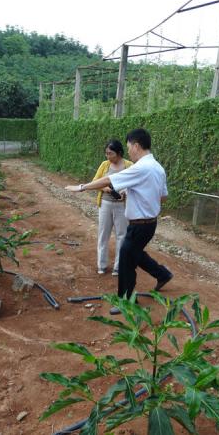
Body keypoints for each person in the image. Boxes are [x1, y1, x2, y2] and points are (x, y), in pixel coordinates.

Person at [65, 128, 173, 315]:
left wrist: (82, 187)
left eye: (130, 146)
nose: (129, 150)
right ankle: (163, 274)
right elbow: (162, 197)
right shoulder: (157, 167)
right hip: (149, 223)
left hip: (139, 225)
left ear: (137, 146)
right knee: (135, 254)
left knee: (125, 261)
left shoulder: (141, 167)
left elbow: (108, 180)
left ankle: (127, 302)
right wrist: (134, 194)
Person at [92, 140, 133, 276]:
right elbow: (95, 183)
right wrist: (106, 189)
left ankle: (118, 266)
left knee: (122, 236)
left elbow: (134, 185)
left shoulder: (129, 166)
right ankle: (102, 265)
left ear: (119, 153)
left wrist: (125, 193)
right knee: (103, 234)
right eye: (106, 153)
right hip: (105, 204)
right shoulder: (105, 165)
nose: (108, 156)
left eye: (110, 153)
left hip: (122, 206)